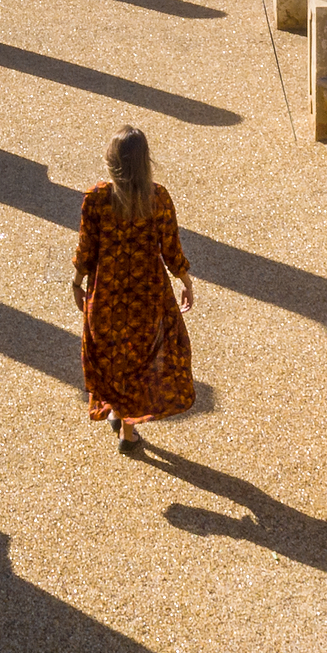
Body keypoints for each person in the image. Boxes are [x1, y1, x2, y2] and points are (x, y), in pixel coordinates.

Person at [72, 125, 195, 452]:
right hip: (147, 295)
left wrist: (76, 282)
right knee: (141, 359)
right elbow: (171, 247)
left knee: (112, 355)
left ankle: (117, 411)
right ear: (145, 162)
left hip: (108, 294)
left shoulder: (96, 199)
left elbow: (86, 249)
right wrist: (185, 280)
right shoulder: (157, 197)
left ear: (111, 161)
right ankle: (127, 431)